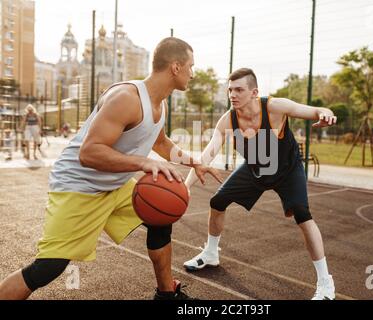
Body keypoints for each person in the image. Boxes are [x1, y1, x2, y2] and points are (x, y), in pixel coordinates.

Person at [0, 37, 221, 300]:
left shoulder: (160, 103)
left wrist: (193, 161)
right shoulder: (126, 98)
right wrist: (143, 162)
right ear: (175, 67)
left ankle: (166, 294)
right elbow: (89, 152)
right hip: (79, 187)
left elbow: (160, 142)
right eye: (191, 67)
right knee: (48, 268)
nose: (193, 74)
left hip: (114, 184)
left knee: (161, 219)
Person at [183, 68, 338, 300]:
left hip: (287, 170)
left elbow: (313, 110)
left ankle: (326, 284)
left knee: (302, 214)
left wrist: (325, 113)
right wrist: (184, 189)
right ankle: (211, 253)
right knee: (218, 201)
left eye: (239, 90)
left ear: (254, 92)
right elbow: (206, 156)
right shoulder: (228, 120)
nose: (232, 95)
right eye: (229, 90)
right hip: (256, 169)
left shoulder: (275, 107)